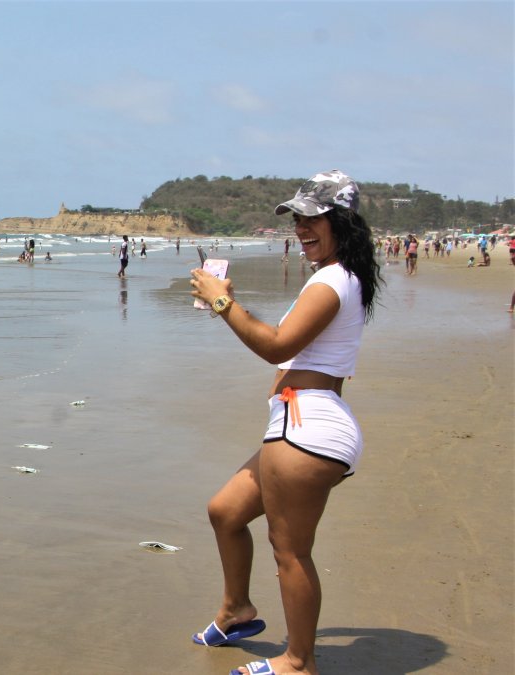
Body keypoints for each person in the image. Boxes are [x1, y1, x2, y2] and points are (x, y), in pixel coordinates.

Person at [188, 170, 381, 675]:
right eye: (298, 219)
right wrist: (223, 306)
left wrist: (222, 301)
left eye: (314, 218)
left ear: (342, 220)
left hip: (308, 428)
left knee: (290, 551)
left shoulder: (334, 279)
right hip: (299, 423)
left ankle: (298, 662)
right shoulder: (338, 276)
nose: (302, 227)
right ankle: (237, 611)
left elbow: (277, 345)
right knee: (225, 511)